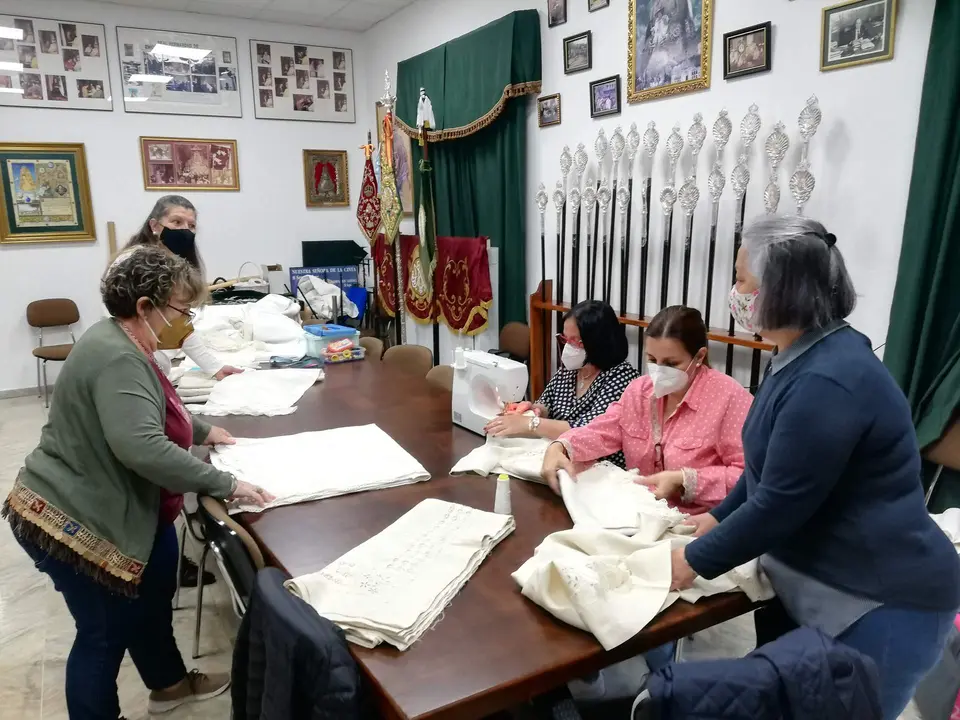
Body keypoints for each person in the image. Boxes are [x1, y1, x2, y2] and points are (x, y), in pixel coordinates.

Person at [671, 215, 960, 720]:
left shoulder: (829, 379)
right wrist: (714, 520)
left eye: (742, 279)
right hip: (815, 586)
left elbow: (780, 505)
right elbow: (770, 471)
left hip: (880, 600)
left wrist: (693, 561)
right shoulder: (800, 357)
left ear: (781, 289)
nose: (734, 291)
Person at [3, 247, 274, 719]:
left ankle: (168, 685)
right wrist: (224, 482)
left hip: (110, 504)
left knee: (149, 601)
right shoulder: (119, 357)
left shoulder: (127, 343)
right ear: (145, 307)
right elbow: (142, 447)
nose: (186, 322)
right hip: (73, 515)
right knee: (102, 635)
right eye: (181, 311)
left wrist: (205, 430)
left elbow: (156, 410)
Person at [541, 305, 752, 515]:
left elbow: (749, 478)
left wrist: (685, 480)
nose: (659, 371)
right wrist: (563, 446)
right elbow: (603, 430)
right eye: (652, 360)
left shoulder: (730, 400)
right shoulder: (639, 391)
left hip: (702, 522)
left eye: (671, 363)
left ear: (699, 357)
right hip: (641, 511)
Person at [484, 300, 638, 466]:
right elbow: (546, 404)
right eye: (565, 339)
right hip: (560, 456)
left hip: (600, 467)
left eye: (575, 341)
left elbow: (587, 432)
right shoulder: (572, 369)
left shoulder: (622, 378)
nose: (568, 348)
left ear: (598, 342)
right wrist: (532, 410)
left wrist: (530, 423)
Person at [123, 195, 243, 382]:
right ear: (154, 226)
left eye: (191, 225)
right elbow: (122, 322)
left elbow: (181, 324)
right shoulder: (131, 265)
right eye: (176, 222)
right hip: (130, 360)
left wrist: (214, 367)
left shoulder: (174, 262)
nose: (185, 230)